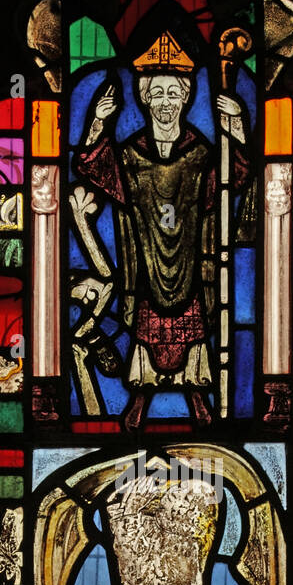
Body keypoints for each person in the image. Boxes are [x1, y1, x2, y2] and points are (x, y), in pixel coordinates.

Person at [75, 39, 250, 428]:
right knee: (147, 330)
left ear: (187, 98)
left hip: (190, 261)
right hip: (145, 264)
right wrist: (97, 124)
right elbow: (92, 167)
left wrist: (236, 124)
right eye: (158, 94)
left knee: (192, 329)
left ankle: (197, 398)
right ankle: (139, 399)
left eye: (175, 93)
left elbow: (234, 175)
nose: (167, 102)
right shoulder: (130, 153)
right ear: (145, 100)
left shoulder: (202, 153)